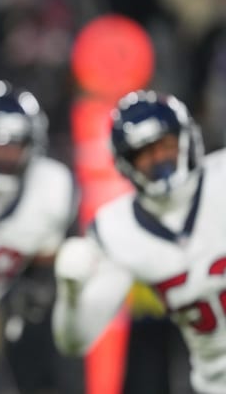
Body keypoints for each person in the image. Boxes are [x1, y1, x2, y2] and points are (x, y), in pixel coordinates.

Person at [52, 89, 225, 393]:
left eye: (164, 145)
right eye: (143, 153)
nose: (158, 159)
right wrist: (71, 292)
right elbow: (75, 341)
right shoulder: (120, 230)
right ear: (124, 162)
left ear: (188, 138)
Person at [0, 80, 82, 394]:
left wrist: (39, 287)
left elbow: (50, 259)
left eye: (15, 143)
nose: (6, 154)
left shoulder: (51, 189)